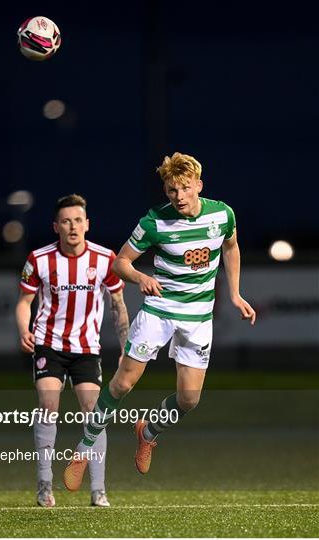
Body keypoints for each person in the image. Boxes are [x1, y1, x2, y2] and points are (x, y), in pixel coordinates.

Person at [63, 152, 256, 491]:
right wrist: (140, 277)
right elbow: (120, 262)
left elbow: (231, 247)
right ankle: (84, 448)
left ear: (198, 185)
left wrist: (236, 294)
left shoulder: (222, 214)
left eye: (184, 188)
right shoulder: (154, 221)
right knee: (123, 383)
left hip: (198, 318)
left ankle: (148, 431)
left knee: (189, 400)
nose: (178, 196)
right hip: (159, 311)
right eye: (171, 190)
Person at [16, 194, 129, 507]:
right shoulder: (39, 259)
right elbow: (24, 303)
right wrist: (24, 330)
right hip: (48, 343)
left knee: (93, 414)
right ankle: (44, 484)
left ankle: (98, 490)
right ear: (56, 226)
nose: (73, 226)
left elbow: (118, 305)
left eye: (78, 220)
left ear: (87, 224)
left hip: (86, 348)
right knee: (48, 403)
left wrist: (126, 347)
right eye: (66, 221)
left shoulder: (105, 259)